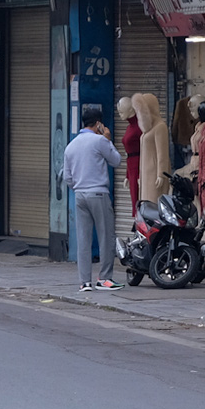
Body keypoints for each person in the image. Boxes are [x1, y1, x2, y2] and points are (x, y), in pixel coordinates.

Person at [62, 105, 124, 292]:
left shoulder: (71, 146)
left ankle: (85, 282)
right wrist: (108, 140)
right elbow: (116, 161)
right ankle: (105, 279)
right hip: (98, 194)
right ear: (98, 124)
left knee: (83, 239)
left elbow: (67, 177)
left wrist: (80, 187)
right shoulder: (99, 141)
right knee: (106, 237)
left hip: (80, 196)